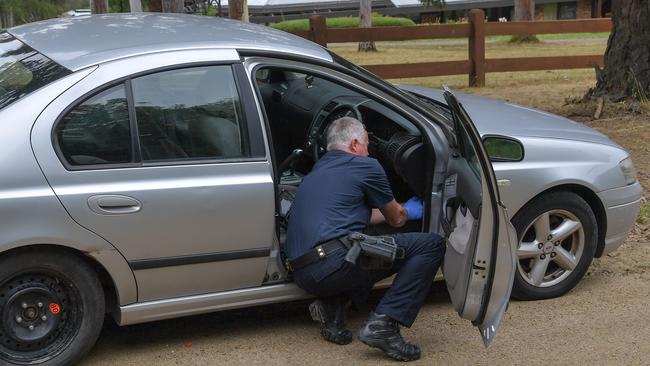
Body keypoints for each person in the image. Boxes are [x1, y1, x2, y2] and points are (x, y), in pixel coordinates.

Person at [284, 116, 446, 362]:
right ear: (354, 144)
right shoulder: (366, 166)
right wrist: (409, 209)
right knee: (430, 245)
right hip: (334, 265)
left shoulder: (318, 170)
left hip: (304, 274)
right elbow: (396, 219)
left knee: (367, 244)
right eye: (368, 145)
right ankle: (384, 325)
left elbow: (351, 216)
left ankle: (332, 307)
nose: (369, 151)